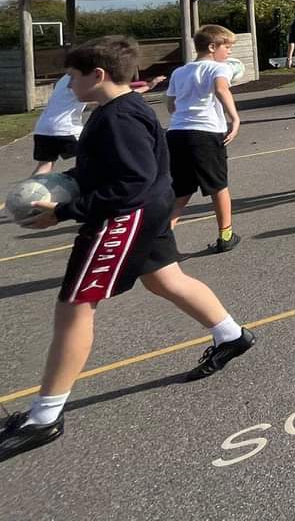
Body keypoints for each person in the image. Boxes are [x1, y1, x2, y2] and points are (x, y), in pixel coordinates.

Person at [0, 36, 253, 463]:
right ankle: (232, 335)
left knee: (75, 306)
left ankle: (44, 419)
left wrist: (65, 212)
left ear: (98, 75)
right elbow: (114, 169)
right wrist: (66, 181)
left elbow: (131, 183)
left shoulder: (120, 117)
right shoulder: (117, 110)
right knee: (166, 280)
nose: (69, 84)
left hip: (125, 218)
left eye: (73, 76)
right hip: (147, 211)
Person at [166, 25, 242, 254]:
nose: (229, 52)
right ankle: (226, 235)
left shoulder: (179, 72)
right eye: (226, 47)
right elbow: (221, 89)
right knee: (219, 186)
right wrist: (235, 118)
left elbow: (171, 105)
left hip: (177, 133)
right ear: (211, 47)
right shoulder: (219, 68)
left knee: (181, 190)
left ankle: (160, 238)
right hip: (205, 134)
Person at [31, 72, 165, 176]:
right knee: (100, 156)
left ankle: (27, 196)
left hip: (42, 127)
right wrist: (147, 87)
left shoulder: (64, 79)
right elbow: (114, 97)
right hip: (65, 128)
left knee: (44, 165)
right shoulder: (81, 80)